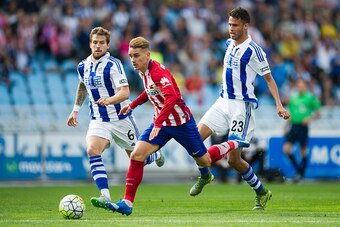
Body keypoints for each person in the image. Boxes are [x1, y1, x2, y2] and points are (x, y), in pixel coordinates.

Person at [104, 36, 250, 216]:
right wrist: (133, 104)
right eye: (131, 56)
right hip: (163, 123)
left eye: (136, 56)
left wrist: (158, 122)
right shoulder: (144, 71)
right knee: (137, 155)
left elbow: (172, 97)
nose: (133, 60)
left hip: (181, 123)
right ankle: (127, 203)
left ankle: (233, 143)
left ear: (147, 55)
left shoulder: (158, 72)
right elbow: (150, 91)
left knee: (205, 161)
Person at [192, 7, 291, 210]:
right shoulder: (229, 44)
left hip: (240, 106)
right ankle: (205, 175)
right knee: (194, 139)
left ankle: (261, 191)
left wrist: (279, 105)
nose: (231, 28)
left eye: (235, 25)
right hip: (222, 102)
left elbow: (269, 79)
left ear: (246, 26)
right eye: (229, 24)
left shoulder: (254, 51)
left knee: (233, 160)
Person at [66, 27, 165, 211]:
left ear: (107, 45)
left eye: (101, 43)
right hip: (98, 119)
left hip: (120, 119)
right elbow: (82, 85)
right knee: (92, 150)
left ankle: (154, 155)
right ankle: (105, 196)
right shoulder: (83, 65)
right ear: (90, 44)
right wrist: (75, 110)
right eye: (95, 42)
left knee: (138, 158)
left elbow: (125, 92)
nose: (98, 46)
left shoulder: (114, 64)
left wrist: (109, 101)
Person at [283, 78, 321, 182]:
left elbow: (318, 113)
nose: (300, 87)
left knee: (303, 151)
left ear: (305, 86)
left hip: (303, 127)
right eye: (298, 85)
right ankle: (299, 171)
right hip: (294, 126)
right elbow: (291, 114)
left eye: (302, 85)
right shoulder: (293, 98)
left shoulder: (310, 98)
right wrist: (286, 127)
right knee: (286, 149)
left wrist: (310, 118)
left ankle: (301, 174)